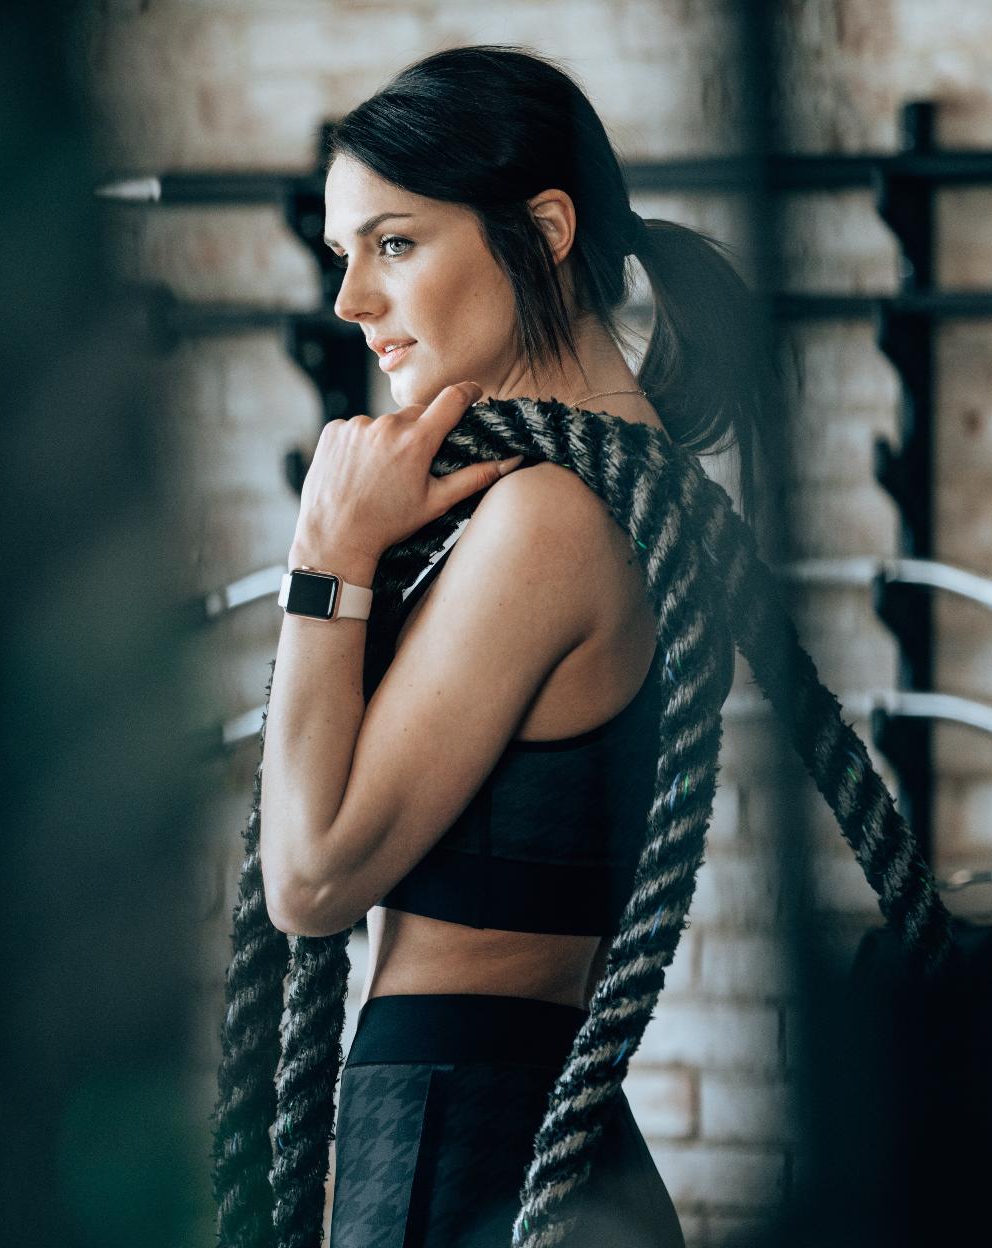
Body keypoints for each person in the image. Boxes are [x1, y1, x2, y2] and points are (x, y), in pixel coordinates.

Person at [217, 42, 783, 1248]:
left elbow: (312, 880)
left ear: (546, 226)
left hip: (461, 1131)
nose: (350, 301)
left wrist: (326, 556)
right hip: (492, 1118)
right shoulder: (589, 487)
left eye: (397, 243)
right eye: (343, 254)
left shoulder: (555, 517)